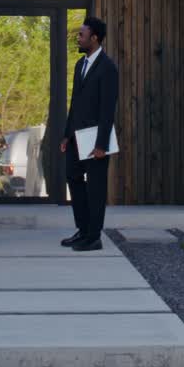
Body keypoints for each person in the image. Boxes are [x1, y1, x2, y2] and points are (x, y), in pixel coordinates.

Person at [58, 17, 119, 252]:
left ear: (94, 38)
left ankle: (94, 237)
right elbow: (75, 103)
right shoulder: (79, 65)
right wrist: (66, 134)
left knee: (96, 187)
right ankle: (82, 230)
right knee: (73, 178)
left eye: (82, 35)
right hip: (76, 137)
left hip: (96, 140)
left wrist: (101, 144)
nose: (78, 38)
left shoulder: (108, 68)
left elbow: (107, 110)